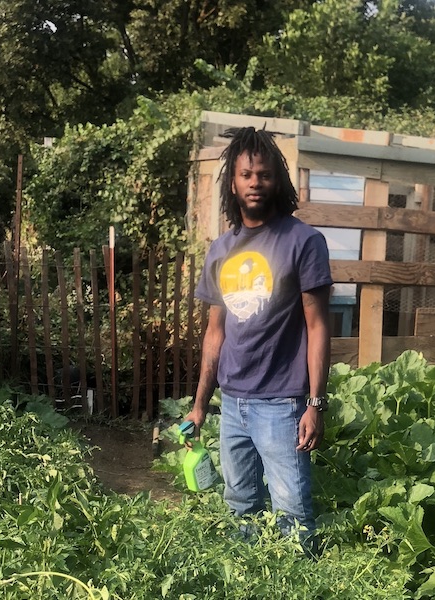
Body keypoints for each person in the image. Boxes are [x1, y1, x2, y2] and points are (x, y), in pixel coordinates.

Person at [183, 126, 332, 546]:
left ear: (277, 181)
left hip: (283, 405)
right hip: (233, 405)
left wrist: (315, 403)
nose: (255, 183)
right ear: (233, 180)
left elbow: (319, 326)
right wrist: (199, 407)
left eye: (264, 175)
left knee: (293, 513)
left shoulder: (303, 242)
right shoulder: (221, 250)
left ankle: (302, 587)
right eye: (247, 175)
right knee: (240, 507)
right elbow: (215, 333)